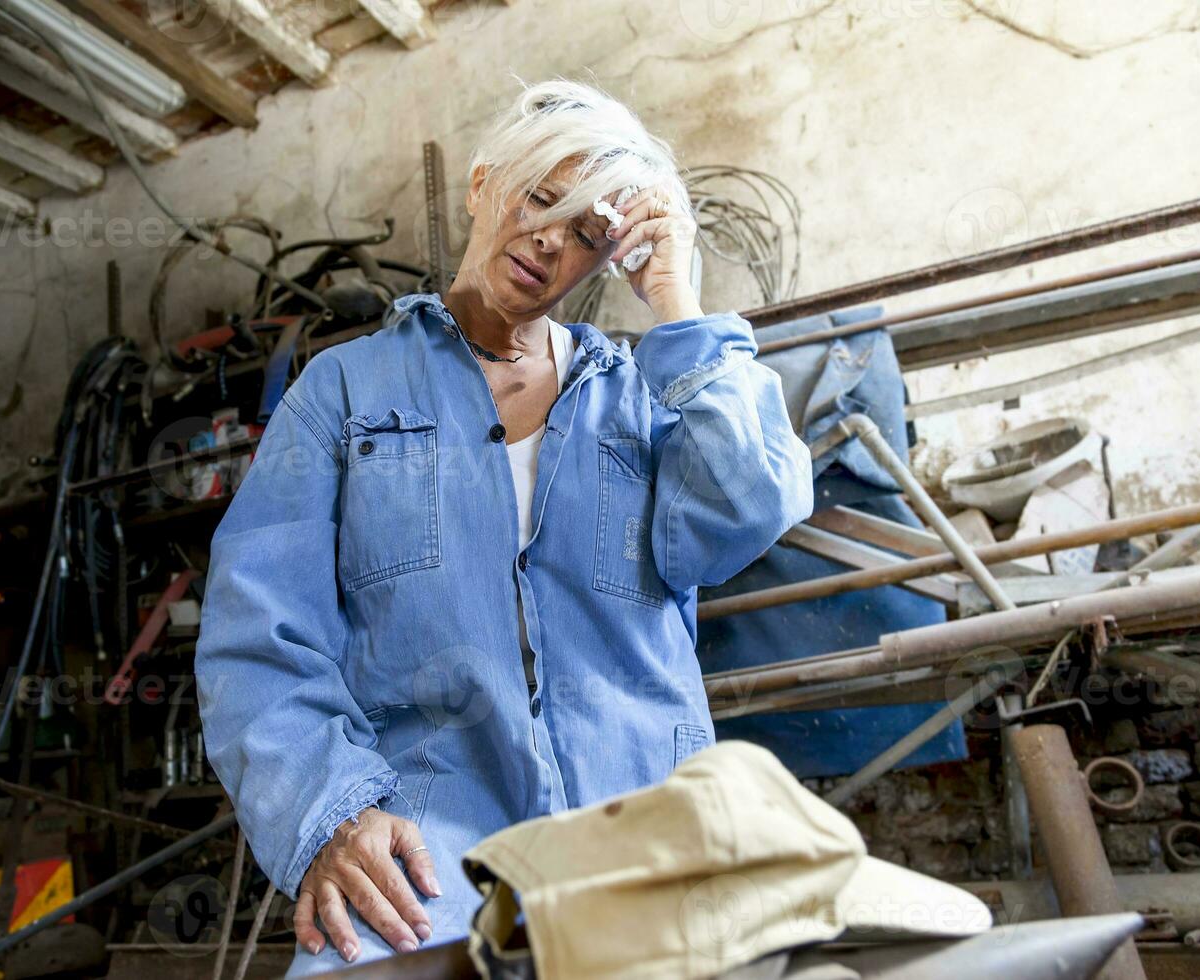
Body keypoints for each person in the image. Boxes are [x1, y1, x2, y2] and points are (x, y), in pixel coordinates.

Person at [194, 79, 814, 975]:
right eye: (537, 200)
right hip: (428, 857)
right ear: (483, 184)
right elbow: (256, 637)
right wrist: (332, 814)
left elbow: (751, 506)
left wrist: (679, 304)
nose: (549, 242)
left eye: (587, 234)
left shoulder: (641, 396)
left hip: (649, 833)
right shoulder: (342, 394)